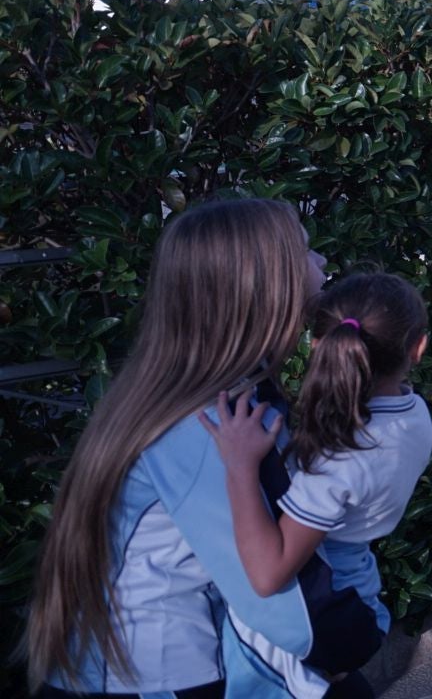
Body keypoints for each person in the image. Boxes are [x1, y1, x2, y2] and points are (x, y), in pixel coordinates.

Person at [26, 198, 360, 699]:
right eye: (308, 252)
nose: (322, 263)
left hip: (118, 667)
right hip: (152, 678)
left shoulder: (185, 396)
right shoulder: (215, 424)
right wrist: (357, 636)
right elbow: (274, 593)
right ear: (265, 284)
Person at [201, 273, 432, 699]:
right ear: (419, 347)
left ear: (316, 346)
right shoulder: (413, 414)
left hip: (323, 604)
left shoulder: (342, 461)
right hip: (356, 576)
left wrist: (240, 466)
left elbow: (269, 574)